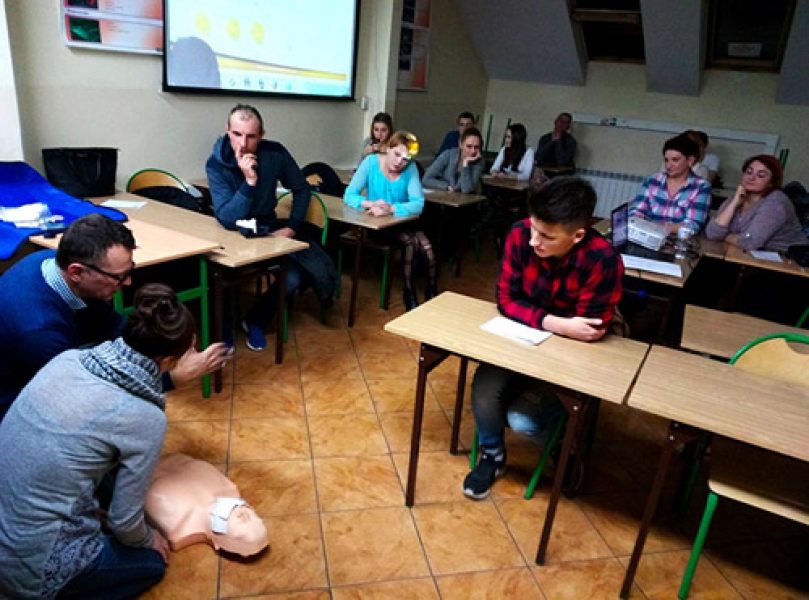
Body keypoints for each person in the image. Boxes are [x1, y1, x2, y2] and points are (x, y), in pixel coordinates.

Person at [0, 284, 196, 598]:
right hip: (30, 569)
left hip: (8, 522)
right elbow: (124, 523)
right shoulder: (144, 415)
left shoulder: (68, 360)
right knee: (151, 563)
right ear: (171, 359)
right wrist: (149, 539)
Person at [463, 177, 623, 500]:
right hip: (531, 333)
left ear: (577, 235)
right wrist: (558, 324)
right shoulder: (520, 234)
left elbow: (588, 332)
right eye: (534, 228)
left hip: (572, 350)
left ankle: (564, 444)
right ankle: (493, 456)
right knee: (484, 388)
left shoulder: (602, 259)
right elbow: (506, 299)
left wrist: (548, 325)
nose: (534, 240)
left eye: (547, 236)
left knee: (523, 420)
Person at [0, 213, 227, 421]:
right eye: (119, 277)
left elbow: (113, 327)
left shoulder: (52, 262)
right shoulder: (39, 332)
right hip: (18, 415)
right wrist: (173, 378)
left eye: (129, 271)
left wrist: (163, 348)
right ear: (76, 272)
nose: (128, 282)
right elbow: (84, 398)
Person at [206, 104, 337, 351]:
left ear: (261, 135)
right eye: (236, 134)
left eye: (251, 136)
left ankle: (255, 320)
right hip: (230, 233)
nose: (243, 144)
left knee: (294, 276)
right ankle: (223, 327)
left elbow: (302, 189)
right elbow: (227, 218)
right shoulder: (215, 164)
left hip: (265, 230)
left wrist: (292, 227)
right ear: (227, 131)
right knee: (215, 274)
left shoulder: (275, 153)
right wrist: (249, 182)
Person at [344, 130, 436, 310]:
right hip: (377, 225)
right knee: (412, 243)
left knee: (427, 246)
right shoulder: (370, 163)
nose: (400, 162)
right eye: (397, 154)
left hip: (401, 221)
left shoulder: (410, 168)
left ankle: (431, 289)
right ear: (387, 148)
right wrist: (370, 204)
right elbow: (349, 195)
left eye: (406, 159)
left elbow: (418, 204)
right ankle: (409, 291)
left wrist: (391, 208)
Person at [145, 453, 268, 557]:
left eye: (242, 527)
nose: (245, 516)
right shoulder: (228, 488)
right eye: (256, 520)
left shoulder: (176, 526)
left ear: (218, 544)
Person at [706, 155, 806, 252]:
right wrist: (734, 203)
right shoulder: (738, 196)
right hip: (744, 255)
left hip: (787, 259)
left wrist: (724, 236)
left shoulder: (776, 202)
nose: (751, 178)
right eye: (749, 172)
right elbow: (712, 233)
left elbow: (750, 242)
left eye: (760, 175)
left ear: (771, 183)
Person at [630, 133, 712, 235]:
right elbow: (636, 212)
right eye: (666, 160)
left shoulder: (701, 186)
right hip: (646, 234)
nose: (668, 166)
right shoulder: (653, 180)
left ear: (690, 161)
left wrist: (656, 227)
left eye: (675, 160)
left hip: (676, 240)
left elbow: (692, 225)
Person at [423, 127, 484, 193]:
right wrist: (446, 186)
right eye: (469, 146)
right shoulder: (448, 154)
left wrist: (465, 164)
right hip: (444, 195)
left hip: (463, 198)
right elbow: (426, 179)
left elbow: (466, 190)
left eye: (476, 147)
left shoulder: (479, 162)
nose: (473, 151)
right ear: (461, 144)